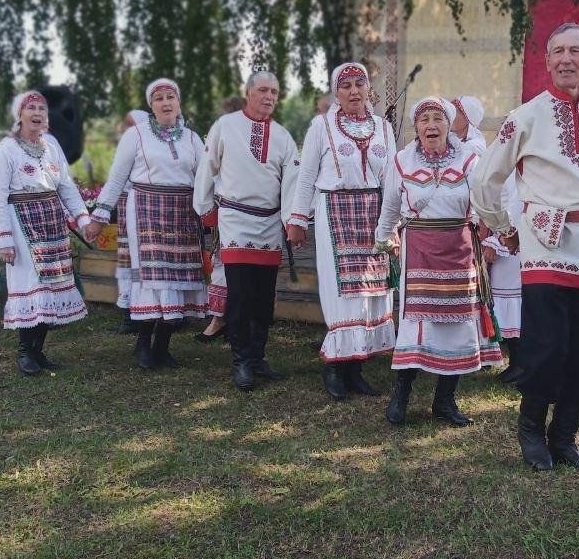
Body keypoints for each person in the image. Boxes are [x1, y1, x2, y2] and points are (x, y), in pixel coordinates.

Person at [470, 22, 579, 473]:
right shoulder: (525, 117)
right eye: (557, 52)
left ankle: (564, 437)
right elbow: (485, 179)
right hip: (544, 244)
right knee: (547, 346)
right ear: (547, 61)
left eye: (576, 51)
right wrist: (504, 227)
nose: (566, 59)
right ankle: (531, 431)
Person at [377, 96, 503, 425]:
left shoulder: (470, 159)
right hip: (418, 249)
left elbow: (484, 202)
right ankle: (401, 395)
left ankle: (445, 401)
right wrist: (383, 237)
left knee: (458, 328)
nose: (431, 125)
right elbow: (391, 205)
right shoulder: (402, 161)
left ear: (450, 124)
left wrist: (492, 232)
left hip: (459, 250)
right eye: (424, 119)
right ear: (416, 127)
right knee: (417, 326)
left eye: (438, 118)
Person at [287, 62, 398, 400]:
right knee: (341, 292)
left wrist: (393, 224)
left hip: (375, 214)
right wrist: (297, 218)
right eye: (346, 85)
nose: (353, 91)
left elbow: (392, 178)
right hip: (334, 212)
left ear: (369, 90)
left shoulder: (383, 127)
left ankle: (356, 369)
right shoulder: (321, 126)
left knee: (371, 292)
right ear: (336, 92)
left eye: (359, 84)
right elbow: (306, 176)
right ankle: (334, 367)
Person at [194, 70, 299, 390]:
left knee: (264, 295)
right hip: (235, 220)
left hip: (269, 224)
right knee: (239, 293)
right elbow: (207, 168)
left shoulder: (283, 136)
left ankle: (257, 357)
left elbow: (293, 182)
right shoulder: (225, 126)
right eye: (264, 90)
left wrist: (293, 219)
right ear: (249, 92)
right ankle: (241, 360)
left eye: (275, 92)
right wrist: (205, 209)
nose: (269, 97)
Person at [91, 78, 207, 369]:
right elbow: (118, 176)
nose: (166, 102)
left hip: (183, 212)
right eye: (159, 99)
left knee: (178, 281)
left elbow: (207, 178)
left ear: (179, 102)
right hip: (146, 209)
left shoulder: (193, 139)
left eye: (171, 97)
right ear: (151, 105)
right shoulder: (137, 135)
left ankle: (163, 347)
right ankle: (143, 344)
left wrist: (217, 209)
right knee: (152, 278)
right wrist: (100, 213)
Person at [0, 90, 96, 375]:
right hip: (21, 222)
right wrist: (4, 240)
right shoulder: (6, 149)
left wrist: (83, 220)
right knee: (30, 286)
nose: (38, 113)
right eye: (31, 108)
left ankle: (38, 351)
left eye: (42, 109)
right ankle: (25, 352)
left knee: (50, 288)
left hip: (51, 220)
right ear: (19, 115)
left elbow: (66, 187)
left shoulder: (51, 145)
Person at [196, 95, 246, 343]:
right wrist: (207, 207)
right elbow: (208, 173)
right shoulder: (220, 138)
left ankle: (238, 320)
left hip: (255, 215)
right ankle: (219, 318)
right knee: (223, 265)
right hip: (226, 213)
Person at [481, 173, 522, 375]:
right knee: (502, 300)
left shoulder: (518, 170)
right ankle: (515, 362)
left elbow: (515, 206)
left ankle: (519, 363)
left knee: (511, 299)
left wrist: (497, 242)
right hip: (504, 235)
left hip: (512, 243)